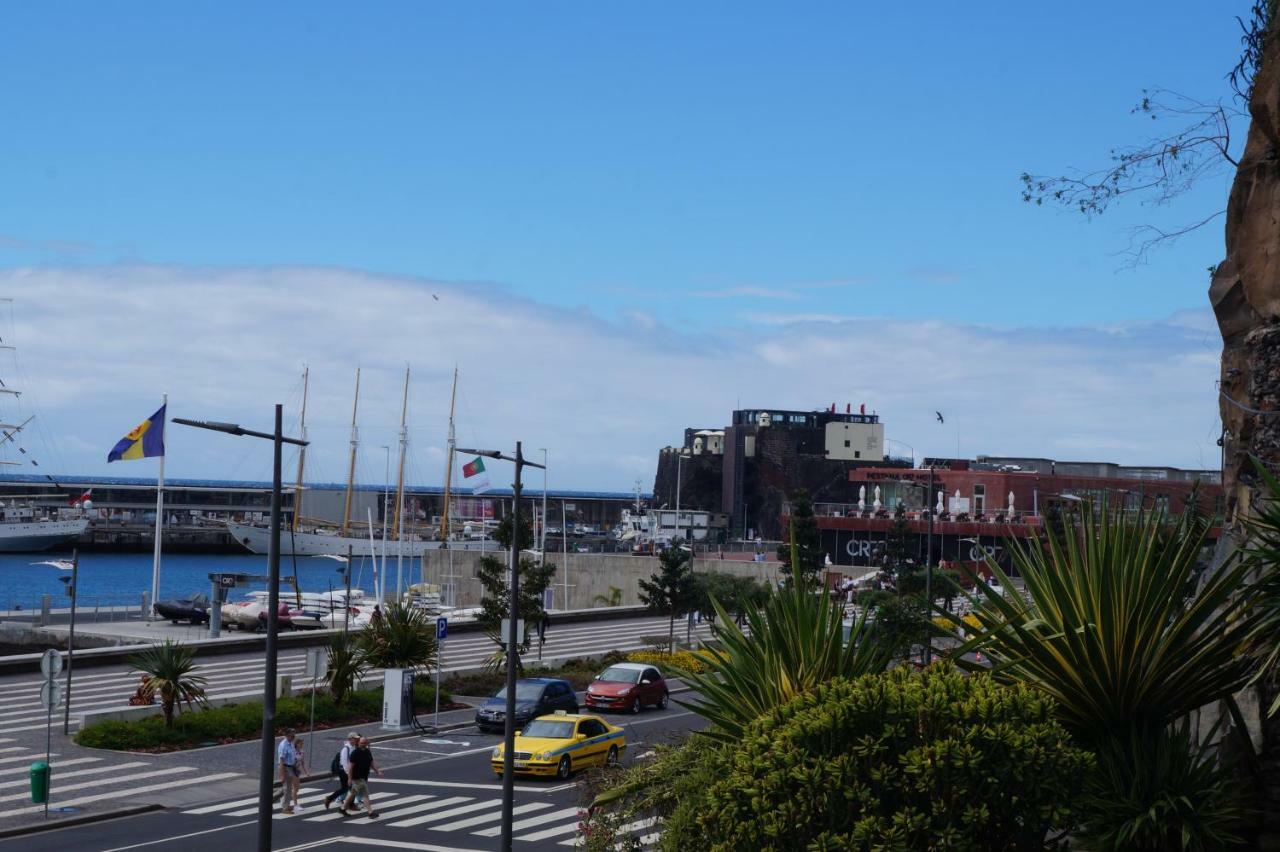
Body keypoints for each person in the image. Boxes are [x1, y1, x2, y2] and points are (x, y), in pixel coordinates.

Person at [340, 736, 381, 819]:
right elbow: (350, 767)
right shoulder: (355, 753)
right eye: (361, 743)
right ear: (358, 743)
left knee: (353, 793)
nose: (363, 744)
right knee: (365, 795)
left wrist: (377, 771)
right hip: (357, 777)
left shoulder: (367, 751)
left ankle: (343, 808)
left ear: (367, 743)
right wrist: (349, 778)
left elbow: (371, 762)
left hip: (363, 776)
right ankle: (370, 813)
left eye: (364, 743)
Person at [324, 731, 360, 810]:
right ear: (350, 739)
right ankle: (350, 804)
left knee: (347, 788)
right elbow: (344, 762)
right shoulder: (346, 749)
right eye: (355, 739)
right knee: (350, 788)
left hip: (349, 771)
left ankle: (330, 799)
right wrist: (348, 774)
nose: (356, 740)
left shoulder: (353, 747)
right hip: (344, 771)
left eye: (357, 739)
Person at [276, 729, 300, 815]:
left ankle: (269, 801)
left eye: (294, 734)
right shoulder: (284, 745)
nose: (294, 736)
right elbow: (281, 760)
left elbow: (292, 756)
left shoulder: (290, 743)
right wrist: (282, 775)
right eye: (292, 735)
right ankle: (285, 808)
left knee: (286, 788)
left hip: (290, 767)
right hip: (285, 767)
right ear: (287, 735)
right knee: (287, 788)